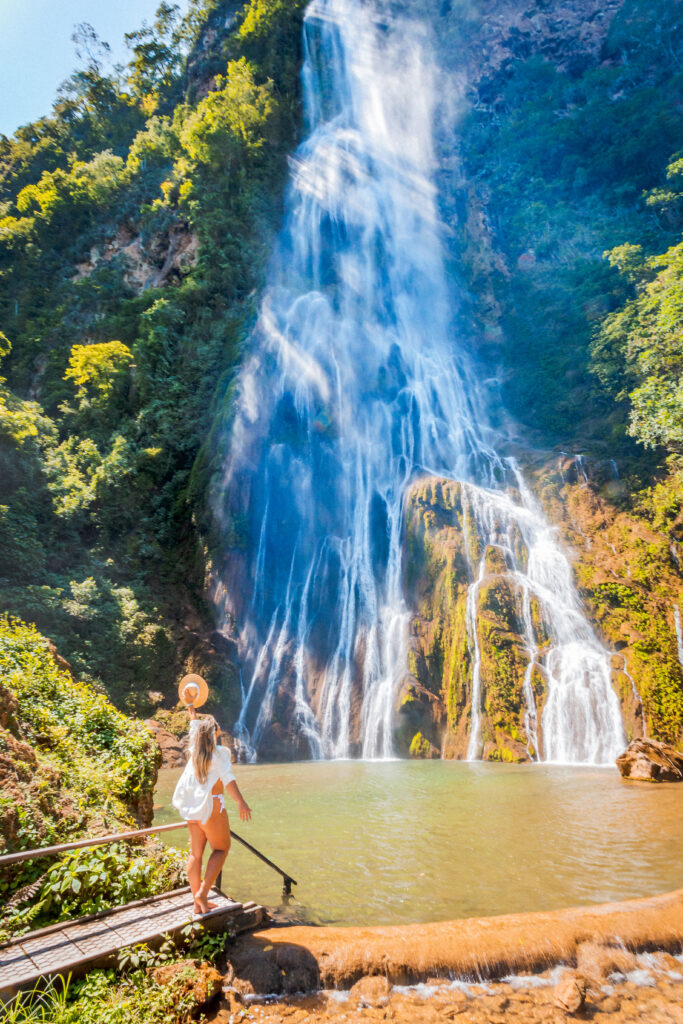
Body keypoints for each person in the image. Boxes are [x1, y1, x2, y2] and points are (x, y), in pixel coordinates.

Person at [172, 704, 251, 915]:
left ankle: (196, 903)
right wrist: (241, 803)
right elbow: (229, 780)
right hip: (212, 808)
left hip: (192, 810)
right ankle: (203, 893)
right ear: (216, 732)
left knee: (195, 855)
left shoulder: (194, 751)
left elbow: (193, 730)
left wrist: (192, 712)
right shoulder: (220, 754)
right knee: (221, 849)